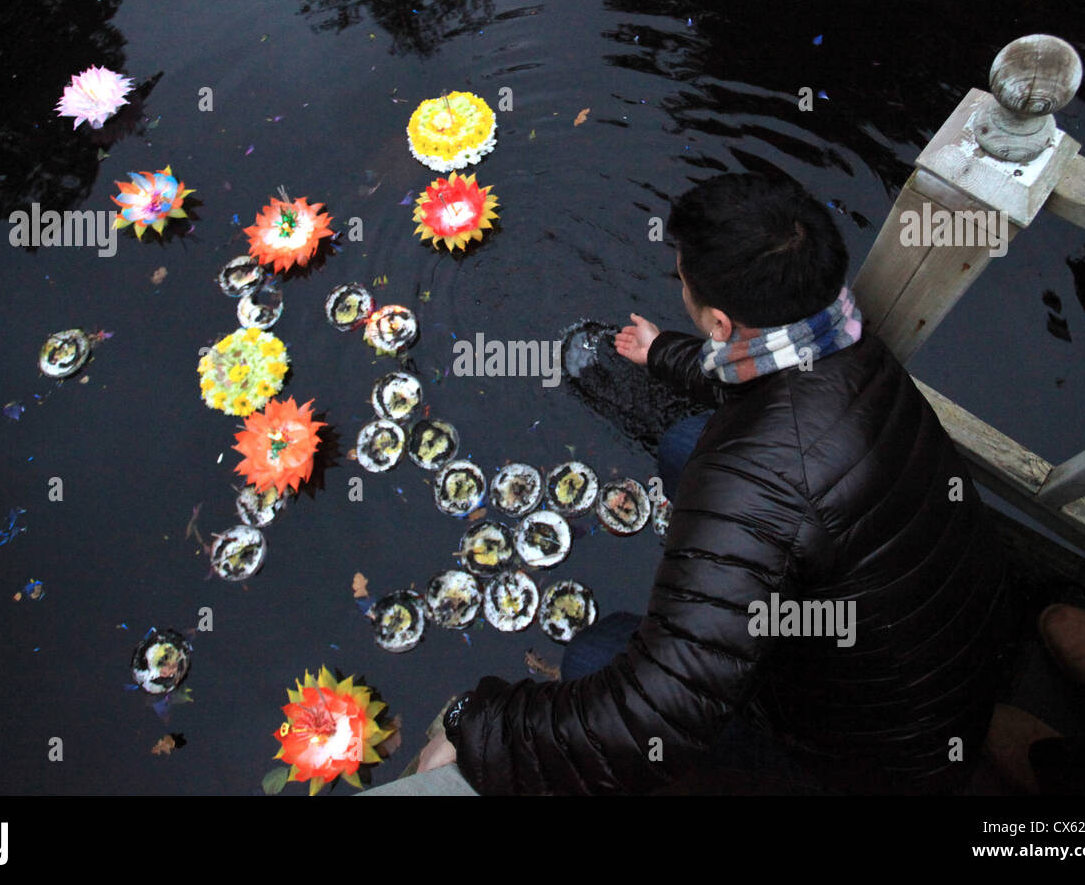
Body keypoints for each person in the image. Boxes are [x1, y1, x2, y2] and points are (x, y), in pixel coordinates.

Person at [416, 172, 1009, 794]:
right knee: (681, 443)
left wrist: (475, 723)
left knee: (595, 653)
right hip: (949, 656)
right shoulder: (850, 342)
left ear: (721, 321)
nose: (679, 283)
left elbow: (653, 714)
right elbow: (751, 368)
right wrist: (665, 352)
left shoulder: (750, 483)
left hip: (867, 763)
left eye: (682, 278)